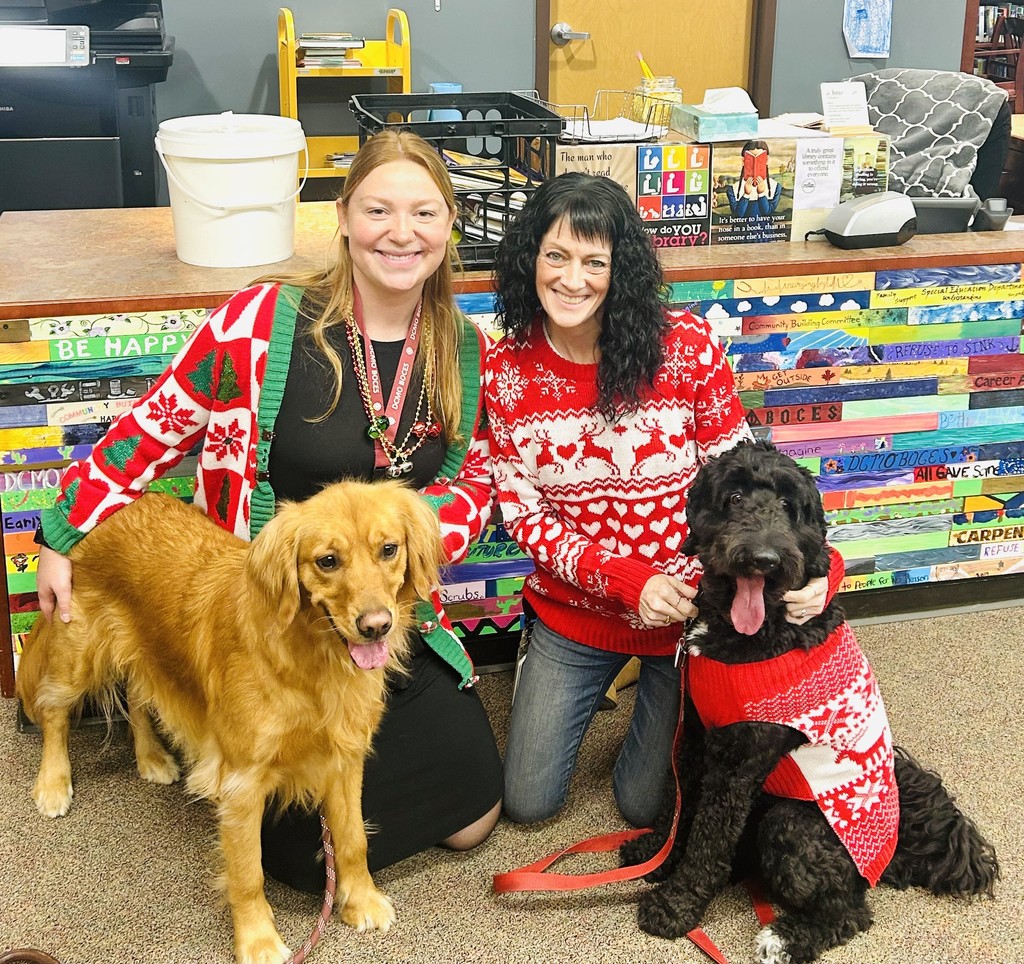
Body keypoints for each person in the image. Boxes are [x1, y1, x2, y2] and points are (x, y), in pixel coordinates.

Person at [34, 129, 503, 888]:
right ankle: (236, 754)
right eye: (380, 209)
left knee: (476, 815)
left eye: (424, 213)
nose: (401, 232)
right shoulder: (262, 320)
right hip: (269, 617)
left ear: (449, 227)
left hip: (379, 621)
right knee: (291, 852)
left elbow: (475, 477)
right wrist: (60, 531)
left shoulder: (464, 348)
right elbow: (155, 424)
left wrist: (413, 538)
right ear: (344, 216)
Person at [484, 171, 844, 827]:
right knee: (529, 803)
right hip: (575, 610)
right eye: (556, 256)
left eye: (596, 261)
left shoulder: (688, 349)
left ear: (621, 270)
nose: (572, 279)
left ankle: (662, 686)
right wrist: (629, 582)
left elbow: (750, 483)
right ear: (529, 258)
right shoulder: (502, 371)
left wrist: (826, 569)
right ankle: (553, 657)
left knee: (645, 807)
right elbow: (525, 515)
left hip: (687, 612)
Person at [726, 140, 782, 218]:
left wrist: (761, 194)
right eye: (750, 160)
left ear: (766, 160)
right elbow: (738, 215)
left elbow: (767, 213)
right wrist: (746, 194)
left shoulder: (775, 187)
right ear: (743, 161)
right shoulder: (733, 189)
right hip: (742, 229)